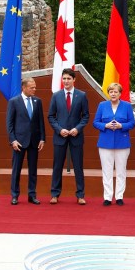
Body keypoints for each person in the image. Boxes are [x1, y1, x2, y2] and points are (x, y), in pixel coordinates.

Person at [48, 68, 90, 205]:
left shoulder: (82, 95)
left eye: (68, 79)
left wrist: (77, 129)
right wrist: (59, 130)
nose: (66, 81)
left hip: (76, 137)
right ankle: (54, 194)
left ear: (74, 80)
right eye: (64, 78)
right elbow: (51, 116)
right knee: (57, 166)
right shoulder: (56, 96)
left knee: (78, 166)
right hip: (60, 137)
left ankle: (80, 195)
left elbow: (86, 116)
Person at [93, 83, 135, 206]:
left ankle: (119, 196)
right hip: (105, 142)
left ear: (120, 94)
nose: (113, 94)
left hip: (122, 142)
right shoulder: (102, 105)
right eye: (111, 91)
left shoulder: (127, 106)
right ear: (108, 93)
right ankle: (107, 197)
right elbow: (95, 122)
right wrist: (105, 125)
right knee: (107, 171)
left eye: (115, 92)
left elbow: (132, 123)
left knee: (121, 171)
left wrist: (122, 126)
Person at [6, 77, 46, 205]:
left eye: (35, 87)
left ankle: (32, 195)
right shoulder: (14, 102)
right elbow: (9, 124)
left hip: (34, 141)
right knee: (16, 169)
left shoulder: (37, 101)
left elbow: (41, 121)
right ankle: (14, 195)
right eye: (31, 87)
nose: (34, 89)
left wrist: (42, 138)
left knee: (33, 169)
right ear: (23, 88)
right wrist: (13, 140)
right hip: (19, 142)